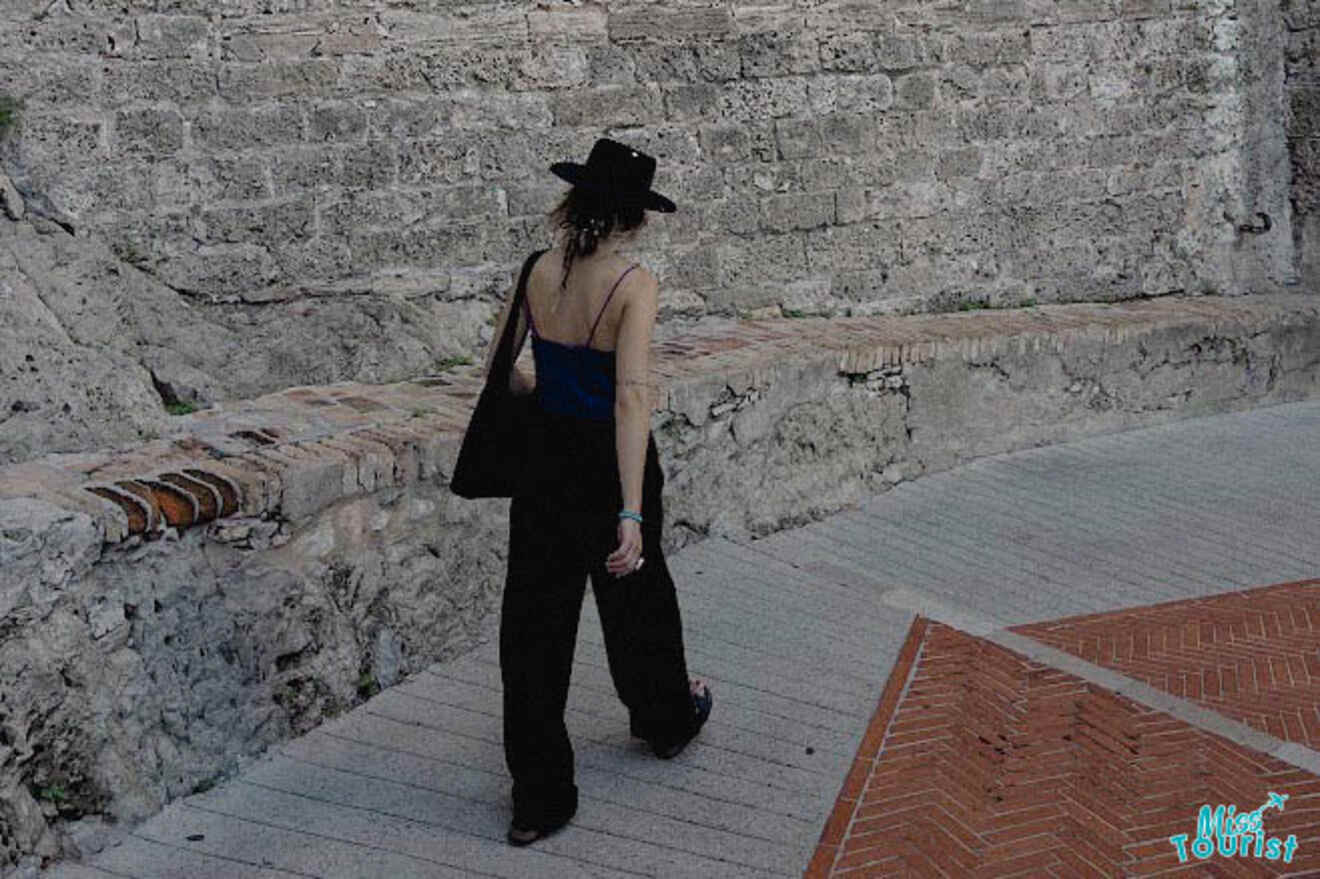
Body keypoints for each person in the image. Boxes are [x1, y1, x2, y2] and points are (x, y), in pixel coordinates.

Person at [479, 138, 713, 847]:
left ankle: (539, 797)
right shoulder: (634, 284)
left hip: (544, 461)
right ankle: (666, 718)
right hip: (608, 463)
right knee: (637, 595)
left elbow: (503, 369)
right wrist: (632, 508)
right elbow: (631, 400)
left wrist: (550, 385)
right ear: (632, 219)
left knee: (534, 625)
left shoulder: (537, 270)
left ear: (575, 201)